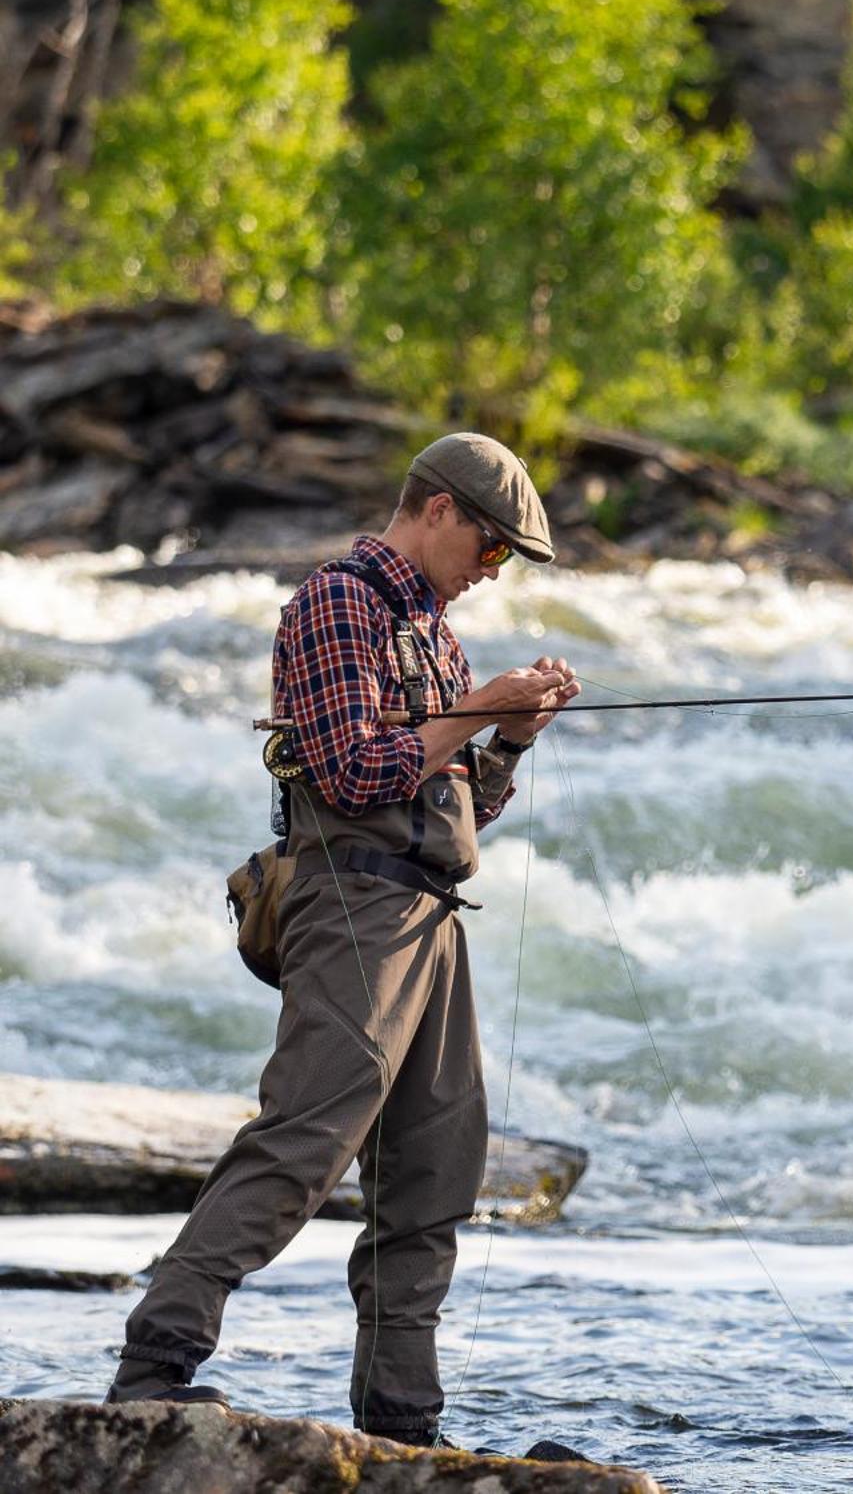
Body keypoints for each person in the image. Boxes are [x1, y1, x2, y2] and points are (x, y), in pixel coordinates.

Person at [104, 432, 581, 1448]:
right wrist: (475, 708)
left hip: (430, 921)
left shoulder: (435, 632)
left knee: (432, 1169)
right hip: (352, 914)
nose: (491, 573)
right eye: (491, 548)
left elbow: (453, 811)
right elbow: (357, 776)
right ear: (440, 509)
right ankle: (152, 1366)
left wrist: (506, 738)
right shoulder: (339, 603)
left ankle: (402, 1426)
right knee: (302, 1147)